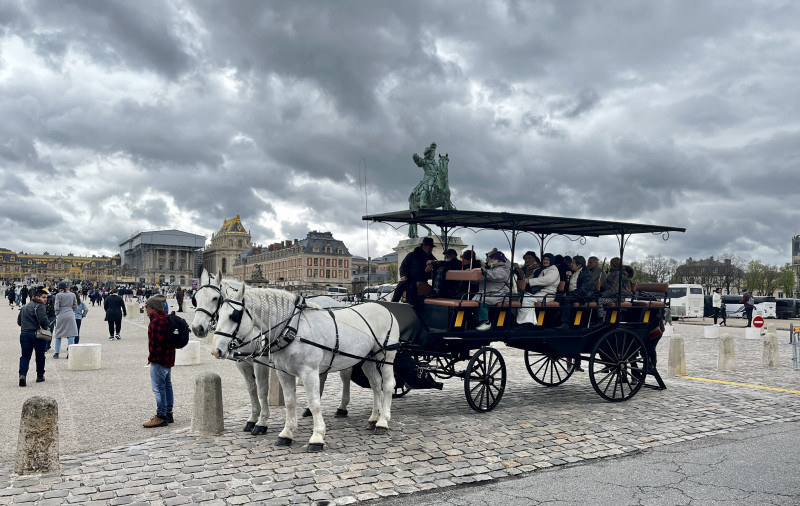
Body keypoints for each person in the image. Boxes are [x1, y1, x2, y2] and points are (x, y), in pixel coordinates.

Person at [143, 294, 175, 428]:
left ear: (154, 308)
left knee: (158, 388)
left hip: (159, 360)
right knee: (167, 386)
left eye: (147, 307)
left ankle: (161, 416)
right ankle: (168, 412)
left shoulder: (156, 322)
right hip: (168, 359)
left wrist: (152, 359)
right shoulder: (166, 319)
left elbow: (156, 344)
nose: (145, 309)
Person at [17, 288, 54, 386]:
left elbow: (19, 322)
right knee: (40, 356)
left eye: (46, 297)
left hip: (24, 334)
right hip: (37, 334)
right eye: (43, 297)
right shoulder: (40, 306)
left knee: (25, 356)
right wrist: (48, 324)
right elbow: (43, 321)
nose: (45, 299)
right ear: (37, 297)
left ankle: (22, 375)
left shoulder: (24, 307)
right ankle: (40, 376)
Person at [516, 253, 560, 327]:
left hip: (548, 293)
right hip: (539, 292)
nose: (545, 261)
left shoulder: (553, 270)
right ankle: (529, 322)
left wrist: (530, 281)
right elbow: (531, 278)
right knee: (522, 297)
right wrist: (524, 281)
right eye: (544, 259)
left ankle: (525, 323)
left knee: (527, 299)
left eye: (548, 260)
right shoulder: (540, 269)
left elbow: (547, 280)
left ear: (552, 261)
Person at [391, 236, 436, 306]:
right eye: (430, 247)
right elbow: (403, 267)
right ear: (424, 246)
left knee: (412, 288)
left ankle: (409, 306)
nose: (431, 249)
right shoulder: (411, 255)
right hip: (408, 279)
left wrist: (432, 264)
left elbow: (438, 264)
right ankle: (393, 304)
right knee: (400, 286)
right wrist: (403, 275)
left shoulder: (430, 257)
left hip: (420, 281)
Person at [473, 250, 511, 331]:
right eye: (490, 259)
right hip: (489, 293)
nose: (490, 261)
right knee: (474, 301)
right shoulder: (491, 269)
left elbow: (496, 276)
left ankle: (486, 322)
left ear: (499, 260)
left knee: (482, 300)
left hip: (500, 294)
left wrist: (483, 271)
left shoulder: (504, 269)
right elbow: (483, 280)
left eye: (492, 259)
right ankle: (478, 322)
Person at [53, 282, 79, 359]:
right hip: (70, 314)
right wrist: (71, 311)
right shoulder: (72, 294)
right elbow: (75, 305)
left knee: (58, 334)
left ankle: (57, 352)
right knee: (71, 334)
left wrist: (57, 313)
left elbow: (56, 306)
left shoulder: (58, 295)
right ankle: (70, 353)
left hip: (61, 314)